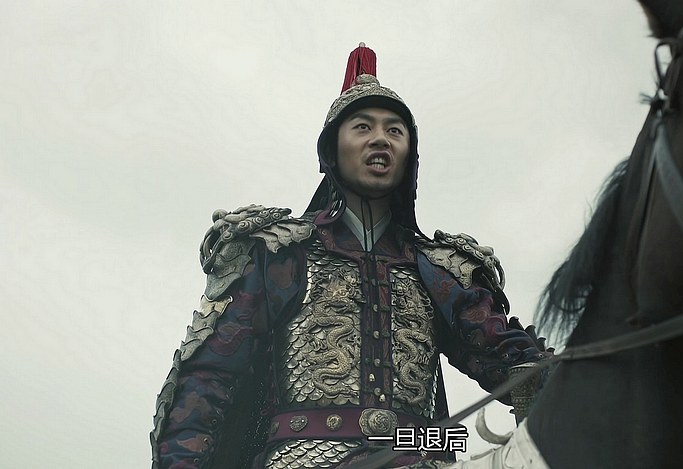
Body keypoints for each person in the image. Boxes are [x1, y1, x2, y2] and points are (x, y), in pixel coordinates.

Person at [151, 43, 549, 469]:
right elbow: (209, 379)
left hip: (420, 457)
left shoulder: (440, 269)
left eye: (395, 131)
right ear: (332, 152)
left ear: (410, 155)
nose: (380, 138)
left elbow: (511, 362)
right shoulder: (279, 255)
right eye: (362, 127)